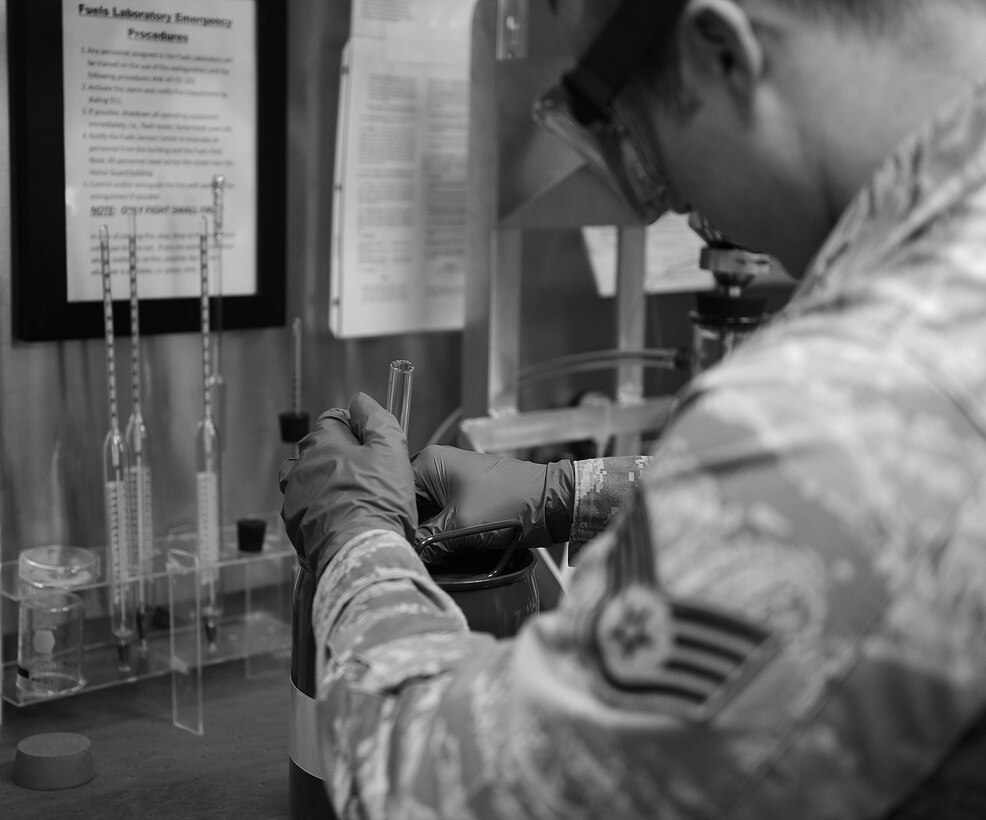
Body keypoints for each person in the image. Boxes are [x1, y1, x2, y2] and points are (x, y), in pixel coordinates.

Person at [279, 0, 986, 816]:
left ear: (718, 50)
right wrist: (570, 493)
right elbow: (877, 500)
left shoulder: (854, 393)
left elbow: (451, 791)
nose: (680, 208)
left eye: (644, 149)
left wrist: (357, 543)